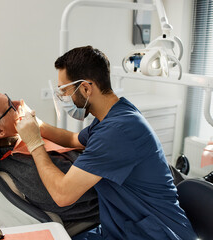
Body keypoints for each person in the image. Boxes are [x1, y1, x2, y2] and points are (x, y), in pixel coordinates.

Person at [16, 46, 197, 239]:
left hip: (156, 234)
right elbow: (73, 139)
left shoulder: (117, 131)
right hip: (124, 228)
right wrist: (38, 126)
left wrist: (35, 143)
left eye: (65, 90)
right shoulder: (113, 115)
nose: (62, 98)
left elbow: (62, 195)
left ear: (86, 88)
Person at [0, 90, 100, 224]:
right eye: (10, 105)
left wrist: (41, 128)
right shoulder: (27, 167)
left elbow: (77, 141)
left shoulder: (22, 143)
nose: (19, 103)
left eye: (9, 97)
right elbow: (91, 186)